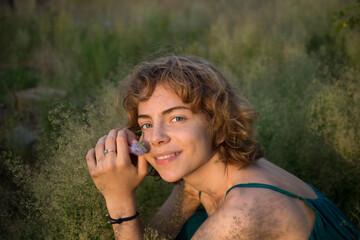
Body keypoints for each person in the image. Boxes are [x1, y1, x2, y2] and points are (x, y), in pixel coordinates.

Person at [86, 56, 359, 239]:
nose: (155, 137)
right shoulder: (197, 184)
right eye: (146, 124)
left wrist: (119, 200)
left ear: (219, 127)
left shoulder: (246, 209)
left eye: (177, 118)